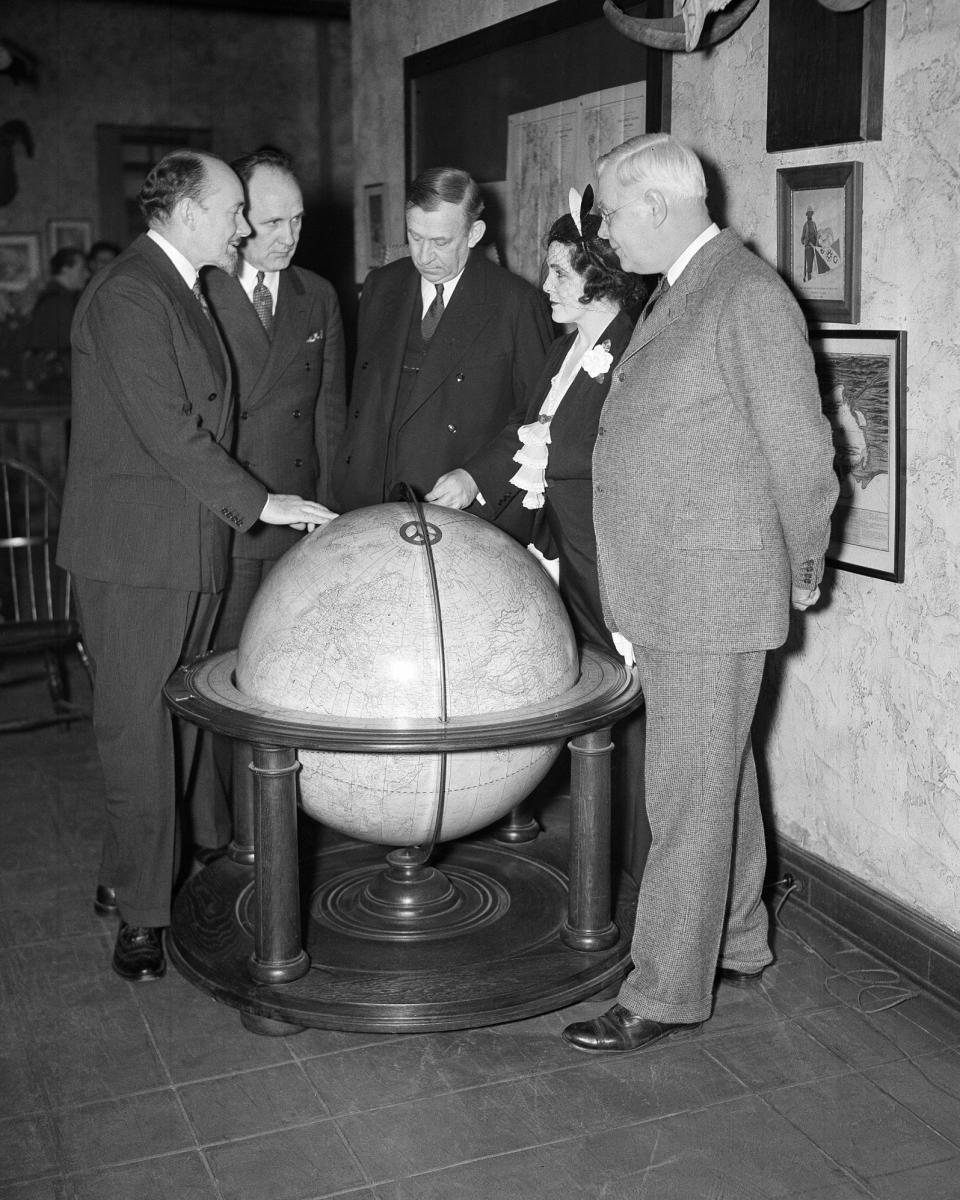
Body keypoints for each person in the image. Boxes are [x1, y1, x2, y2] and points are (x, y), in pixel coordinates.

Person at [562, 134, 838, 1053]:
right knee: (719, 770)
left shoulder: (746, 294)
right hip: (676, 581)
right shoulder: (684, 287)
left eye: (607, 210)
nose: (601, 229)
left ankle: (665, 991)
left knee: (684, 790)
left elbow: (801, 454)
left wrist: (803, 565)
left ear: (654, 205)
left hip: (711, 588)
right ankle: (739, 941)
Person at [56, 149, 333, 983]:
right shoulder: (132, 294)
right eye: (234, 211)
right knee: (137, 731)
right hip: (137, 555)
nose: (245, 227)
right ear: (184, 213)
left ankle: (125, 875)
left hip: (183, 545)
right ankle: (145, 918)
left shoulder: (178, 285)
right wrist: (266, 503)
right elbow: (170, 430)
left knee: (170, 723)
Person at [193, 145, 347, 850]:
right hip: (219, 524)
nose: (287, 236)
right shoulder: (200, 291)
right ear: (238, 221)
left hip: (294, 526)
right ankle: (219, 837)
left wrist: (333, 518)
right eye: (272, 221)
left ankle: (276, 839)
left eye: (299, 220)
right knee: (217, 684)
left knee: (281, 687)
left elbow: (330, 419)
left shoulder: (318, 296)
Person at [330, 166, 553, 538]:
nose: (424, 256)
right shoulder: (381, 286)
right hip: (372, 505)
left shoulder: (515, 302)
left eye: (441, 242)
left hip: (453, 507)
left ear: (474, 234)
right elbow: (363, 401)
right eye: (415, 237)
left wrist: (477, 477)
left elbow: (539, 415)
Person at [496, 187, 645, 652]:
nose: (545, 285)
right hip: (561, 558)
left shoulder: (634, 355)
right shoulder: (561, 350)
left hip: (609, 568)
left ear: (599, 276)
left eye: (559, 272)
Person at [21, 246, 89, 384]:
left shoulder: (56, 297)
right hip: (56, 378)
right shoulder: (59, 302)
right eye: (81, 269)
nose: (86, 274)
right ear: (65, 269)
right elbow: (71, 343)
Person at [800, 206, 818, 283]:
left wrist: (816, 243)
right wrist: (807, 242)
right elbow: (802, 239)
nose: (810, 215)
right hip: (808, 248)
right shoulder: (805, 225)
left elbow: (816, 235)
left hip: (815, 247)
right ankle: (809, 280)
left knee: (817, 263)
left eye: (811, 213)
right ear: (807, 215)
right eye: (809, 214)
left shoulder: (814, 224)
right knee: (809, 264)